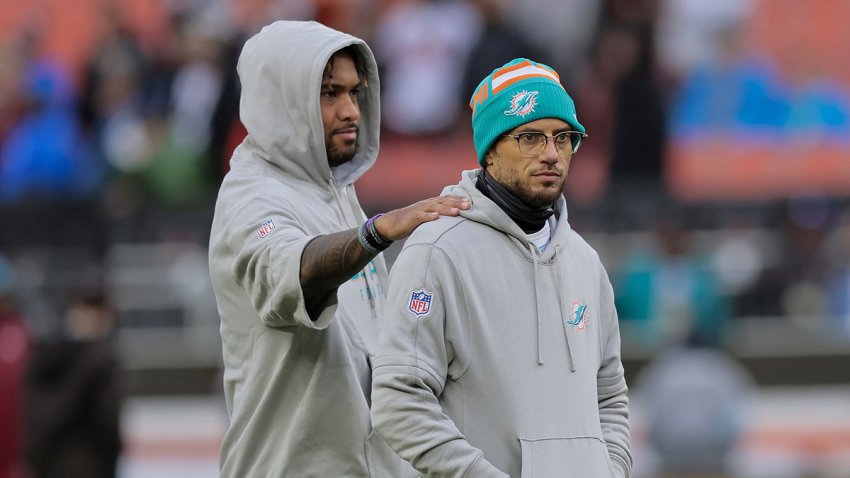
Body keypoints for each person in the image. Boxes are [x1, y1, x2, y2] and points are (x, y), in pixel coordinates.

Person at [207, 20, 469, 477]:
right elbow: (292, 266)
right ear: (281, 99)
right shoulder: (251, 196)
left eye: (354, 91)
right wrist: (378, 232)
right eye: (330, 93)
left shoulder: (334, 191)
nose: (351, 110)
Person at [371, 58, 632, 477]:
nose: (551, 154)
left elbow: (610, 396)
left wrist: (609, 469)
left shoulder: (585, 261)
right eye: (530, 137)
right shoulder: (437, 251)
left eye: (563, 138)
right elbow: (398, 401)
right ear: (490, 151)